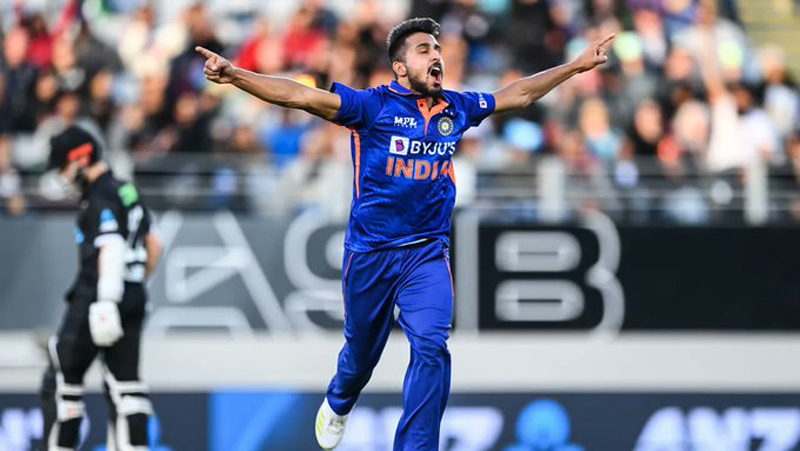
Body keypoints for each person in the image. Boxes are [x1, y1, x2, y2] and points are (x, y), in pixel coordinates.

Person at [196, 17, 613, 450]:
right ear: (399, 67)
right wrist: (236, 75)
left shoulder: (457, 107)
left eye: (438, 49)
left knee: (432, 346)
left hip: (427, 253)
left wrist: (575, 66)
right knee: (361, 358)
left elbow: (518, 94)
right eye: (424, 50)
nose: (437, 56)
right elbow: (300, 96)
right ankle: (340, 399)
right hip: (371, 253)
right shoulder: (372, 107)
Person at [40, 125, 162, 451]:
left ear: (80, 159)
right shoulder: (127, 190)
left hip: (97, 296)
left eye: (63, 166)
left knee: (64, 384)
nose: (62, 176)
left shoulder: (99, 194)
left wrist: (107, 299)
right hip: (132, 293)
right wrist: (134, 286)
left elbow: (111, 244)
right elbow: (154, 245)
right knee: (128, 388)